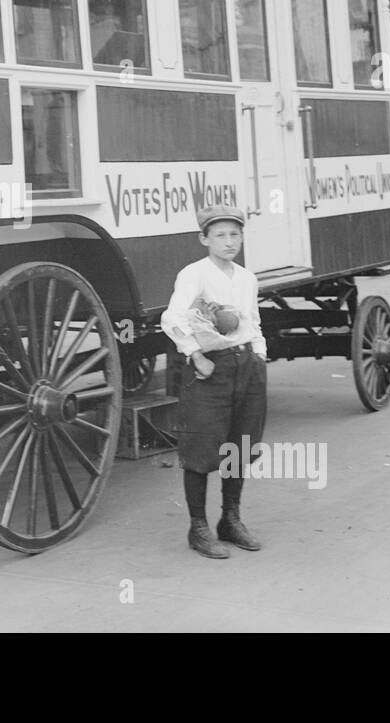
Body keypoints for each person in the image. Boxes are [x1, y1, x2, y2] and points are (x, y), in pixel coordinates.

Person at [160, 205, 268, 559]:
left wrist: (258, 355)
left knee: (241, 444)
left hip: (246, 366)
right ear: (204, 238)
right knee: (202, 447)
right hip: (210, 367)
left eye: (235, 234)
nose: (229, 242)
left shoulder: (247, 278)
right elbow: (173, 318)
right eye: (220, 235)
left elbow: (253, 320)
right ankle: (199, 528)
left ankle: (230, 519)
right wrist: (196, 354)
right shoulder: (194, 274)